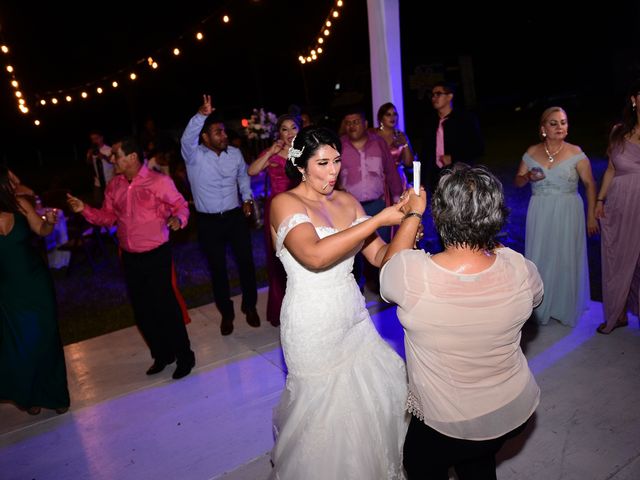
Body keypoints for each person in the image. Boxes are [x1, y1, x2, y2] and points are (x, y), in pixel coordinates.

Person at [381, 164, 542, 479]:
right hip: (512, 409)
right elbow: (534, 299)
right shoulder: (520, 267)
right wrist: (486, 236)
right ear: (496, 214)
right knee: (478, 461)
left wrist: (413, 215)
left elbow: (388, 266)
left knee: (419, 460)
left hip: (448, 424)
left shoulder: (411, 274)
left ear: (439, 215)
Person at [268, 126, 410, 479]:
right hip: (311, 324)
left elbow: (381, 257)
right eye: (322, 163)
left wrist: (409, 219)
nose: (332, 171)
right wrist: (378, 218)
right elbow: (314, 256)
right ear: (300, 166)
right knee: (323, 418)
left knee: (374, 398)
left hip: (353, 318)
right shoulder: (284, 204)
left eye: (336, 162)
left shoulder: (348, 202)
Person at [67, 137, 196, 380]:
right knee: (143, 310)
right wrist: (83, 209)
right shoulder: (114, 186)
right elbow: (107, 217)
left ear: (132, 157)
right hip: (129, 257)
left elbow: (180, 205)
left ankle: (184, 356)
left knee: (166, 307)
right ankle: (162, 354)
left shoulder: (158, 181)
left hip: (156, 254)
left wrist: (179, 219)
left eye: (116, 154)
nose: (111, 159)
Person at [181, 95, 260, 335]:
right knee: (218, 269)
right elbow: (186, 138)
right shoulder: (193, 157)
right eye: (217, 132)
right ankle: (226, 313)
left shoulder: (235, 154)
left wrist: (246, 198)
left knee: (246, 262)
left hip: (235, 218)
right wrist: (201, 116)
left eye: (224, 131)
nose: (224, 135)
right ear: (204, 137)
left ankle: (250, 306)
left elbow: (243, 177)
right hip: (208, 222)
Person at [515, 106, 598, 327]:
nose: (560, 127)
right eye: (554, 123)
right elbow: (518, 180)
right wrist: (528, 177)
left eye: (563, 122)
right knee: (541, 255)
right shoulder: (532, 152)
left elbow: (590, 183)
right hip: (540, 211)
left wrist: (591, 216)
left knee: (566, 254)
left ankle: (566, 305)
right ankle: (541, 306)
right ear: (543, 128)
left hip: (568, 210)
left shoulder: (575, 152)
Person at [0, 166, 70, 415]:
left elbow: (41, 230)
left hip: (35, 282)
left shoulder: (20, 205)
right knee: (20, 342)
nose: (16, 179)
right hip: (7, 290)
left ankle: (55, 395)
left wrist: (49, 223)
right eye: (10, 177)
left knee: (46, 336)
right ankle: (30, 396)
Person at [340, 107, 404, 291]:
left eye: (356, 121)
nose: (352, 126)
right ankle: (356, 287)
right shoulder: (339, 146)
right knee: (352, 253)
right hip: (350, 209)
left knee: (380, 249)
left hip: (377, 206)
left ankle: (380, 286)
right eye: (348, 122)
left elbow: (391, 171)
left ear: (365, 124)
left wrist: (397, 198)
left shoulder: (379, 143)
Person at [595, 81, 640, 334]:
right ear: (634, 99)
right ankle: (618, 314)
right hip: (621, 204)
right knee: (619, 260)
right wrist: (600, 201)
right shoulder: (618, 132)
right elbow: (612, 169)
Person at [247, 114, 300, 327]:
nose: (289, 133)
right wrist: (271, 151)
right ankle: (282, 309)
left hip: (301, 206)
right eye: (285, 129)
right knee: (279, 258)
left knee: (300, 257)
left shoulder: (306, 150)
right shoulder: (274, 153)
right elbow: (252, 170)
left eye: (293, 128)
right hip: (277, 209)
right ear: (279, 133)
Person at [420, 82, 484, 192]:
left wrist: (453, 157)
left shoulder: (465, 120)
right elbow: (425, 153)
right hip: (436, 177)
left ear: (450, 96)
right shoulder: (429, 122)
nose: (434, 97)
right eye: (432, 95)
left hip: (460, 175)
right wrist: (422, 181)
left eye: (438, 94)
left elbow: (478, 148)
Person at [86, 130, 114, 207]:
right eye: (92, 139)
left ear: (101, 138)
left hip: (109, 181)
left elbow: (114, 162)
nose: (94, 141)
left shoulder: (109, 149)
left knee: (111, 203)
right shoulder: (91, 150)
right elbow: (88, 163)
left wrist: (104, 157)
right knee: (98, 203)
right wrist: (90, 155)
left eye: (96, 138)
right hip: (98, 182)